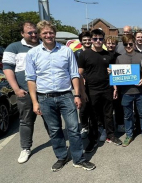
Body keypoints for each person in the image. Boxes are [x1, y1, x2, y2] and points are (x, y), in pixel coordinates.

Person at [25, 20, 95, 171]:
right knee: (54, 130)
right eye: (45, 33)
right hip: (45, 98)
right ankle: (62, 156)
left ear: (55, 33)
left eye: (51, 32)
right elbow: (31, 79)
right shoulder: (32, 54)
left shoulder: (66, 51)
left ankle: (78, 158)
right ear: (39, 35)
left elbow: (74, 74)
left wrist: (77, 95)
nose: (48, 35)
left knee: (73, 128)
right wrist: (35, 102)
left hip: (66, 96)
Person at [2, 21, 48, 164]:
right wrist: (16, 89)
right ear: (22, 33)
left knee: (51, 120)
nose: (33, 34)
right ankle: (25, 148)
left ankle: (57, 143)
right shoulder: (13, 47)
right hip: (25, 93)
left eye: (35, 32)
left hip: (45, 92)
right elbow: (8, 68)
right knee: (26, 121)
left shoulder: (45, 45)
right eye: (30, 32)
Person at [78, 29, 122, 152]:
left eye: (100, 39)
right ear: (91, 39)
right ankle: (93, 140)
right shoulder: (84, 54)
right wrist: (81, 92)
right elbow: (79, 74)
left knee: (108, 114)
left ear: (103, 39)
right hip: (91, 90)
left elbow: (114, 73)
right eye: (95, 38)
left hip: (106, 89)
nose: (98, 41)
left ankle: (111, 135)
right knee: (93, 116)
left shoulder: (108, 55)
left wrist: (115, 88)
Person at [114, 34, 142, 147]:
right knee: (127, 115)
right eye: (126, 44)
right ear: (123, 45)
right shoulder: (119, 58)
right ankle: (129, 135)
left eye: (130, 44)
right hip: (126, 92)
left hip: (140, 92)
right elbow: (116, 75)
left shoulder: (141, 57)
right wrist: (112, 72)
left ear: (134, 43)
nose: (128, 46)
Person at [74, 31, 93, 139]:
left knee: (94, 106)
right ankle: (84, 127)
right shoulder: (77, 53)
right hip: (81, 84)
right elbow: (74, 70)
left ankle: (94, 126)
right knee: (83, 107)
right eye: (84, 40)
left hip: (93, 83)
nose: (87, 41)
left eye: (89, 39)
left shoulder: (95, 51)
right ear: (81, 41)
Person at [105, 36, 125, 133]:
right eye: (109, 43)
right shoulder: (102, 55)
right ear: (105, 44)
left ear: (116, 45)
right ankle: (108, 128)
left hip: (118, 84)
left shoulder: (119, 56)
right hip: (106, 85)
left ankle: (120, 124)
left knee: (119, 106)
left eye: (113, 43)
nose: (111, 45)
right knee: (108, 108)